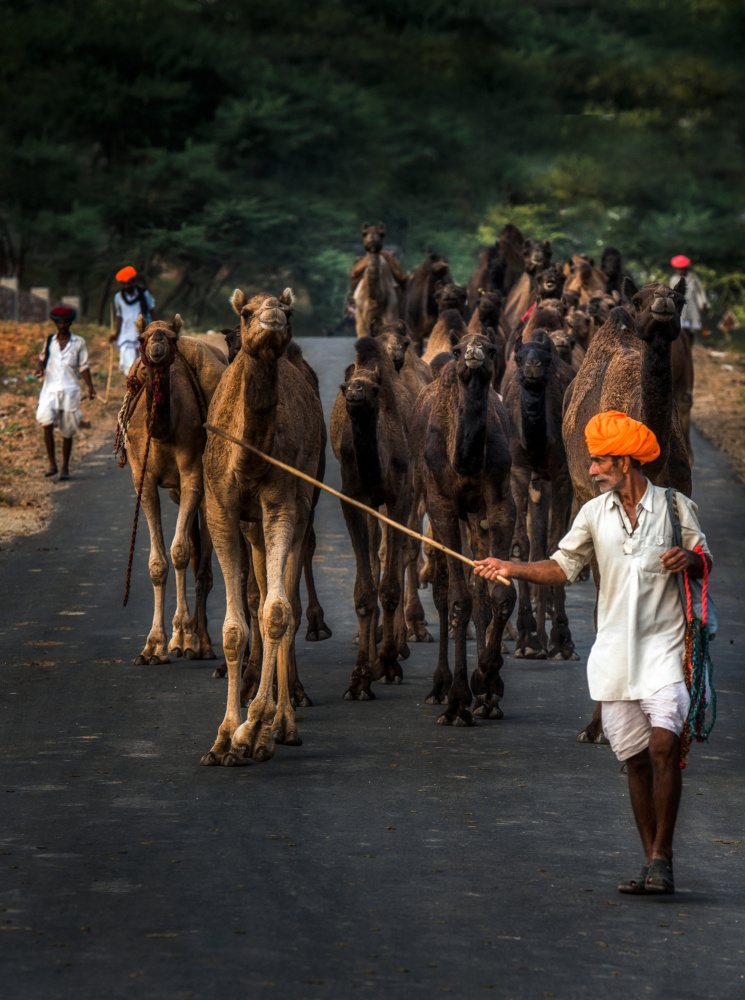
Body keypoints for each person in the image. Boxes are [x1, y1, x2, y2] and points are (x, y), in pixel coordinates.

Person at [473, 410, 712, 896]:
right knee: (637, 761)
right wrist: (510, 568)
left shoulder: (675, 508)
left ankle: (663, 858)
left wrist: (688, 559)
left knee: (665, 746)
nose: (592, 470)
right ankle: (651, 863)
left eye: (600, 461)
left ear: (625, 461)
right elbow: (563, 567)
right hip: (615, 658)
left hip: (665, 651)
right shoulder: (593, 514)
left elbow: (703, 560)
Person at [34, 306, 96, 480]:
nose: (62, 325)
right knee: (45, 421)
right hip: (50, 389)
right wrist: (39, 369)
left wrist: (90, 387)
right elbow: (42, 360)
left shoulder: (79, 342)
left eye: (65, 322)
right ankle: (52, 464)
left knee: (67, 430)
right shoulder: (49, 341)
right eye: (59, 322)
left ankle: (64, 468)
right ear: (55, 323)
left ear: (70, 323)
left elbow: (84, 366)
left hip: (70, 390)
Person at [111, 266, 157, 374]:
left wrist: (157, 327)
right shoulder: (118, 297)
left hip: (143, 335)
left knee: (144, 367)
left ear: (133, 281)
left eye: (128, 283)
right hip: (126, 336)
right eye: (124, 283)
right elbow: (119, 316)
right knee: (129, 370)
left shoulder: (144, 294)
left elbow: (152, 310)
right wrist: (116, 334)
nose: (126, 286)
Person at [670, 254, 708, 341]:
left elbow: (700, 291)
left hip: (693, 306)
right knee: (682, 329)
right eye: (679, 269)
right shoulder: (674, 279)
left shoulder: (693, 278)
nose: (680, 271)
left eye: (682, 269)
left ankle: (689, 348)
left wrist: (704, 303)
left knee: (692, 330)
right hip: (680, 307)